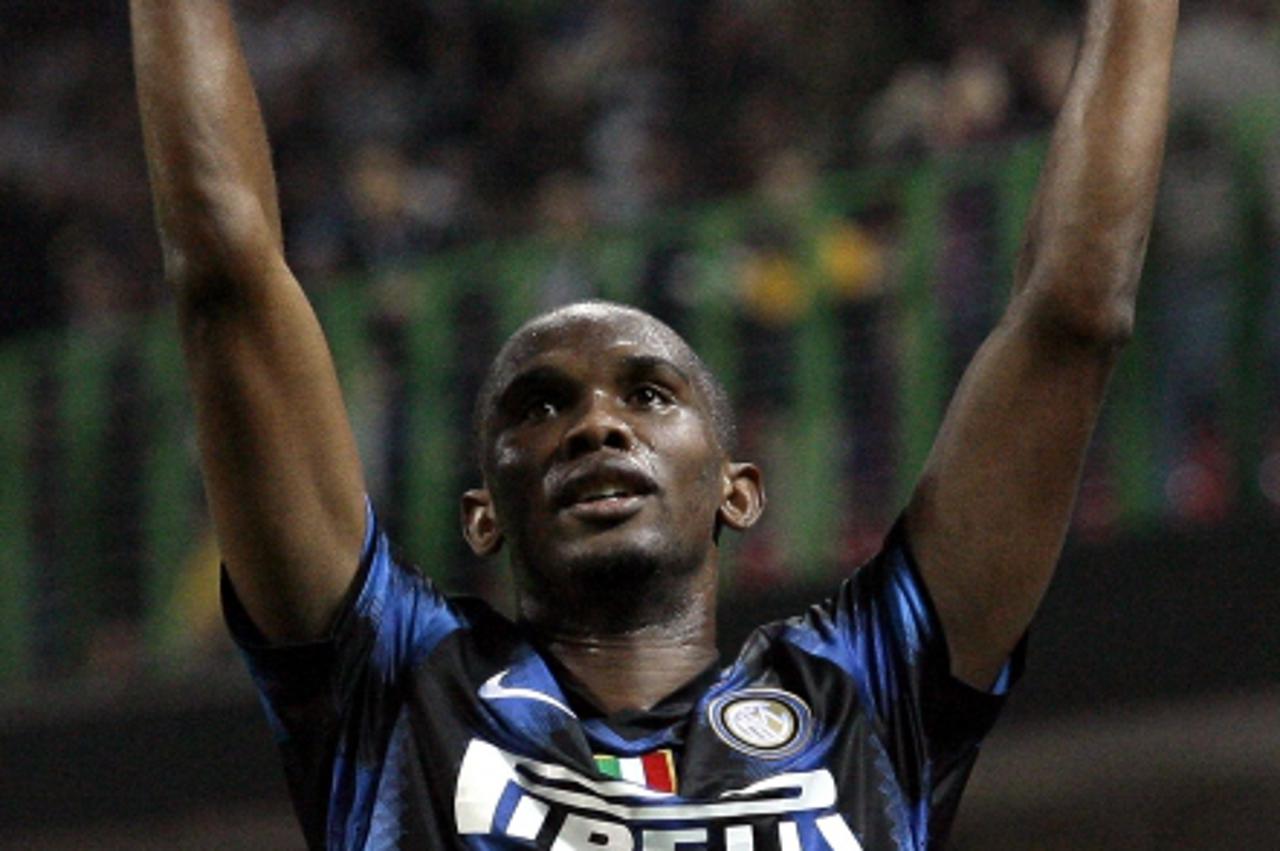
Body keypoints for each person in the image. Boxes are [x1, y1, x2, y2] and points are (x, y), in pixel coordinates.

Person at [129, 1, 1179, 848]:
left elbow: (1074, 312)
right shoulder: (394, 680)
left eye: (649, 394)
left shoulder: (867, 689)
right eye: (538, 405)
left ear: (737, 485)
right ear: (481, 514)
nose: (594, 424)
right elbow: (226, 273)